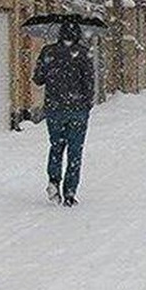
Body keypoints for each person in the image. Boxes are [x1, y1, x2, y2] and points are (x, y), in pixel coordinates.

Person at [32, 22, 95, 206]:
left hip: (54, 109)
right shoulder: (84, 53)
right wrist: (86, 105)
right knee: (75, 151)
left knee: (56, 146)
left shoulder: (48, 52)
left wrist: (47, 64)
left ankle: (53, 181)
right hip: (78, 111)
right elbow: (89, 83)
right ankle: (69, 193)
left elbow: (38, 79)